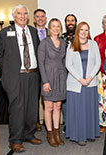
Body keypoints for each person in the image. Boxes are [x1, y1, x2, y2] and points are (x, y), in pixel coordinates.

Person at [0, 4, 42, 152]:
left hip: (33, 75)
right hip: (16, 77)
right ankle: (15, 140)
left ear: (28, 17)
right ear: (14, 16)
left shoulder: (33, 32)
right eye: (19, 14)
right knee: (17, 109)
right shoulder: (4, 33)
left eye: (25, 14)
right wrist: (9, 70)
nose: (22, 16)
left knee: (32, 108)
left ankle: (29, 134)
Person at [65, 21, 101, 146]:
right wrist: (81, 79)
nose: (84, 32)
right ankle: (79, 135)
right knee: (78, 110)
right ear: (78, 31)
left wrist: (90, 78)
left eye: (86, 30)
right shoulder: (71, 45)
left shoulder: (93, 44)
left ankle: (90, 133)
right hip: (76, 83)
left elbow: (98, 63)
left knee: (89, 109)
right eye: (82, 30)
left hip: (90, 83)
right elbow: (68, 64)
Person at [38, 18, 67, 147]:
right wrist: (45, 81)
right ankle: (49, 133)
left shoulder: (63, 42)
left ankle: (57, 133)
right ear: (50, 28)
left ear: (60, 28)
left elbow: (65, 62)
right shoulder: (44, 43)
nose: (56, 28)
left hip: (61, 77)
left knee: (58, 107)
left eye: (58, 26)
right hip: (48, 77)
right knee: (48, 107)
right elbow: (41, 63)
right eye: (53, 26)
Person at [61, 14, 78, 133]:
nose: (70, 22)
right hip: (63, 72)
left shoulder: (80, 37)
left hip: (78, 73)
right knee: (65, 100)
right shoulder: (61, 37)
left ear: (76, 22)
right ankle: (67, 123)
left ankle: (78, 122)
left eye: (72, 20)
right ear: (65, 23)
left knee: (77, 99)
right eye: (68, 21)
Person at [33, 8, 47, 132]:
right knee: (35, 97)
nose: (40, 19)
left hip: (49, 70)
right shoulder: (30, 33)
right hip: (35, 71)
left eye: (42, 16)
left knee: (48, 96)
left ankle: (48, 121)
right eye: (37, 16)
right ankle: (36, 121)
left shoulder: (51, 32)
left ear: (46, 18)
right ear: (34, 19)